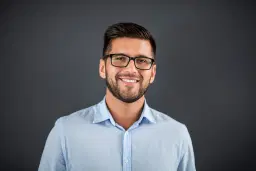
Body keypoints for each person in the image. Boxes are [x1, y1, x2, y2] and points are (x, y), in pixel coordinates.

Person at [38, 22, 196, 171]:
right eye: (120, 58)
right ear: (102, 68)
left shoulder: (177, 135)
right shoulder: (65, 131)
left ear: (153, 73)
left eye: (141, 60)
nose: (131, 69)